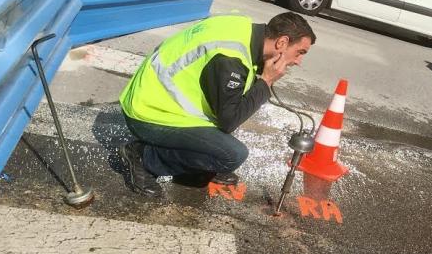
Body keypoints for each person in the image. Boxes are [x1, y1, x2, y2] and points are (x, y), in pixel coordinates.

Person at [118, 12, 315, 197]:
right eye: (299, 52)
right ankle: (145, 158)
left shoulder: (243, 29)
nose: (298, 61)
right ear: (282, 42)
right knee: (232, 155)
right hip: (148, 114)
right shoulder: (231, 59)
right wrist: (266, 82)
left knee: (227, 125)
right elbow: (229, 121)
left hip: (152, 100)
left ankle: (197, 165)